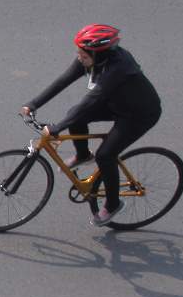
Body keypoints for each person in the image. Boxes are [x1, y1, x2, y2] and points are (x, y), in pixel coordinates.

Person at [20, 23, 162, 227]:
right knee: (75, 115)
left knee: (106, 155)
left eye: (83, 55)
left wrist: (57, 128)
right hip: (116, 103)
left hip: (139, 114)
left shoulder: (119, 68)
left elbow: (92, 99)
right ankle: (83, 155)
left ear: (98, 54)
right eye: (78, 53)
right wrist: (33, 103)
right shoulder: (91, 56)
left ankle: (113, 205)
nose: (79, 58)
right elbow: (63, 80)